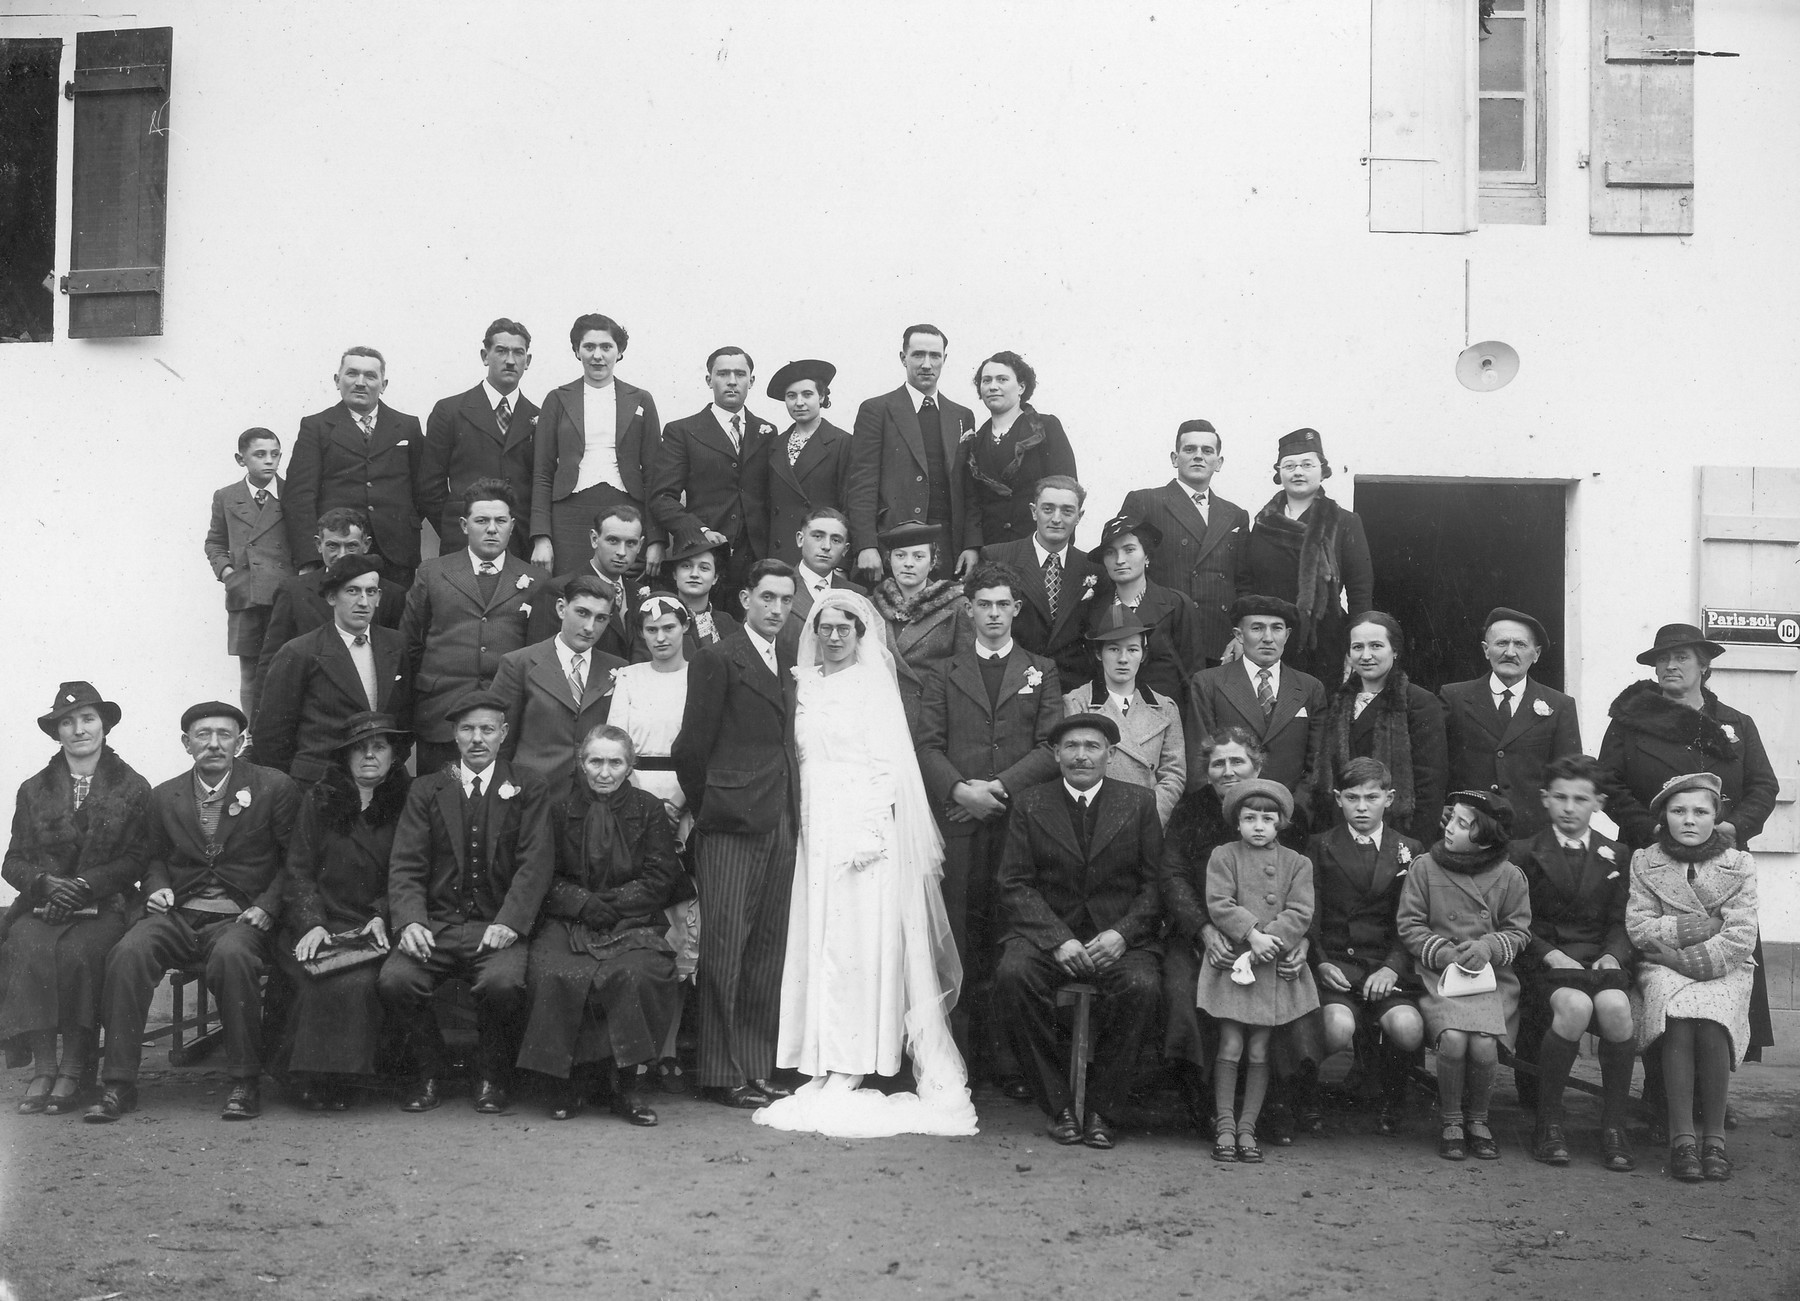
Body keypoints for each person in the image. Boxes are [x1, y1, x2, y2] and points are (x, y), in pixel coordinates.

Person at [754, 591, 978, 1137]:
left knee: (856, 947)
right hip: (814, 826)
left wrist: (871, 832)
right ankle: (819, 1060)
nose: (833, 637)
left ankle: (852, 1064)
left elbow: (888, 766)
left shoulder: (873, 687)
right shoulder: (804, 684)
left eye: (844, 629)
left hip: (861, 831)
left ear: (860, 634)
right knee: (819, 941)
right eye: (825, 627)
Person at [86, 702, 300, 1123]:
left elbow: (296, 860)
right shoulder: (165, 795)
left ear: (240, 741)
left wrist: (267, 906)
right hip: (179, 914)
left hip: (241, 917)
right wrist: (157, 888)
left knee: (233, 957)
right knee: (129, 952)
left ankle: (245, 1081)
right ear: (187, 743)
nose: (214, 744)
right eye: (203, 735)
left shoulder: (274, 787)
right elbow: (152, 856)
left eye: (225, 735)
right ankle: (118, 1084)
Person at [1598, 622, 1780, 1075]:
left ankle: (1711, 1088)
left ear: (1704, 665)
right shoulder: (1629, 723)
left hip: (1720, 865)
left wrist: (1733, 829)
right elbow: (1609, 783)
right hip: (1653, 860)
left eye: (1681, 657)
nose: (1670, 665)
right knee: (1657, 974)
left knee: (1723, 969)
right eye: (1662, 658)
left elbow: (1763, 786)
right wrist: (1652, 830)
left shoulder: (1736, 724)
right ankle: (1660, 1088)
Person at [914, 562, 1062, 1087]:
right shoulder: (944, 671)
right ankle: (958, 1063)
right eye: (984, 605)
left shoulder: (1041, 670)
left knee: (1009, 937)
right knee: (959, 936)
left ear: (1016, 609)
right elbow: (927, 745)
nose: (994, 614)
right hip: (958, 826)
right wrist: (960, 791)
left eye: (1003, 604)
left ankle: (1008, 1062)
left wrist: (993, 790)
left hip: (1017, 826)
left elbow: (1049, 746)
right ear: (969, 609)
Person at [377, 691, 554, 1115]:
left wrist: (511, 921)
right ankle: (430, 1070)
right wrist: (410, 921)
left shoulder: (528, 785)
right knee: (396, 980)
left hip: (496, 926)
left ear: (503, 734)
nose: (477, 739)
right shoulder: (427, 788)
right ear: (454, 735)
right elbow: (406, 863)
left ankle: (491, 1075)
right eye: (468, 729)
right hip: (436, 925)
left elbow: (535, 862)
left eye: (487, 729)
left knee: (503, 984)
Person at [993, 713, 1163, 1150]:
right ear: (1055, 754)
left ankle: (1104, 1109)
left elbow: (1155, 884)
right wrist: (1057, 939)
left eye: (1092, 746)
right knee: (1012, 976)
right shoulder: (1030, 802)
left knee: (1142, 986)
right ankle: (1059, 1106)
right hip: (1048, 936)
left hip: (1117, 938)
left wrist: (1122, 934)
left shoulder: (1139, 801)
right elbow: (1014, 883)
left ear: (1110, 754)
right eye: (1071, 746)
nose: (1081, 756)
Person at [672, 560, 802, 1108]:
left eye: (786, 600)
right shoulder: (717, 658)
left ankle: (754, 1066)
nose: (777, 609)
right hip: (729, 822)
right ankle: (720, 1072)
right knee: (725, 948)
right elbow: (689, 749)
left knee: (767, 950)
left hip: (781, 819)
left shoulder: (791, 659)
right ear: (746, 599)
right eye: (767, 597)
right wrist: (714, 807)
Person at [517, 726, 685, 1125]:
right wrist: (582, 903)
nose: (605, 772)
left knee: (636, 973)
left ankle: (627, 1087)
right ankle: (570, 1083)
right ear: (581, 763)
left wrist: (613, 903)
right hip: (571, 920)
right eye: (596, 761)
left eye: (615, 762)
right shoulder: (559, 809)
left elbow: (660, 876)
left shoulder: (648, 809)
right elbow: (543, 874)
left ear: (630, 766)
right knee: (555, 973)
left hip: (632, 920)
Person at [2, 684, 149, 1115]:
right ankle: (44, 1067)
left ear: (104, 726)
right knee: (26, 945)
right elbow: (12, 860)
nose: (78, 729)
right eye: (67, 722)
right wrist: (44, 883)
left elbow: (138, 858)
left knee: (80, 952)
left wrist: (86, 884)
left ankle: (73, 1068)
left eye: (87, 719)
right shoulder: (33, 789)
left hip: (105, 903)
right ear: (57, 732)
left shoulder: (133, 786)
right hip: (44, 904)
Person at [1159, 729, 1310, 1136]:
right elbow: (1173, 875)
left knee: (1287, 993)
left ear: (1257, 766)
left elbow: (1308, 889)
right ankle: (1203, 1103)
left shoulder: (1285, 812)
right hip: (1202, 932)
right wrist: (1204, 930)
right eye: (1217, 764)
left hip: (1275, 941)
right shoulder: (1191, 810)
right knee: (1182, 989)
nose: (1227, 771)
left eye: (1237, 761)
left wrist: (1302, 940)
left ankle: (1275, 1107)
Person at [1627, 772, 1759, 1183]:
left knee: (1713, 1020)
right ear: (1663, 816)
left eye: (1700, 812)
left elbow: (1741, 935)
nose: (1688, 820)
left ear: (1716, 816)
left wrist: (1686, 956)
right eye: (1678, 810)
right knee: (1678, 1018)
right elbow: (1640, 927)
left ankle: (1714, 1140)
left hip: (1724, 966)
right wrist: (1697, 927)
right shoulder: (1644, 861)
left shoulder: (1739, 864)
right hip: (1661, 966)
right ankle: (1682, 1139)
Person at [1508, 754, 1636, 1171]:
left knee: (1617, 1008)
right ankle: (1549, 1122)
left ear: (1598, 803)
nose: (1569, 808)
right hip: (1546, 964)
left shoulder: (1617, 854)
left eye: (1580, 799)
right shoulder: (1524, 852)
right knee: (1575, 1006)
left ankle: (1614, 1125)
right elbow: (1515, 921)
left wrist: (1613, 954)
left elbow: (1622, 920)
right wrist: (1550, 952)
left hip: (1599, 961)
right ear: (1545, 798)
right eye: (1560, 797)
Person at [280, 712, 411, 1112]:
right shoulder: (319, 800)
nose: (369, 755)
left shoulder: (410, 802)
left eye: (379, 747)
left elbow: (413, 871)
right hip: (323, 920)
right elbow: (299, 870)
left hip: (378, 924)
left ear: (394, 755)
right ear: (345, 756)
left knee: (356, 982)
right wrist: (311, 924)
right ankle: (306, 1078)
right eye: (359, 748)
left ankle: (345, 1080)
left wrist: (383, 914)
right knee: (310, 972)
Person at [1396, 790, 1532, 1162]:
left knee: (1485, 1043)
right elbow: (1409, 925)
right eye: (1451, 818)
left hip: (1490, 977)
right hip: (1440, 974)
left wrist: (1489, 947)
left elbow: (1519, 930)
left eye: (1462, 823)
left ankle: (1479, 1119)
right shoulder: (1425, 867)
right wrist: (1443, 953)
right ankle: (1452, 1120)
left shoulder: (1509, 876)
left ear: (1485, 838)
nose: (1449, 827)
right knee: (1454, 1039)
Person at [1193, 779, 1319, 1164]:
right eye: (1250, 818)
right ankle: (1225, 1126)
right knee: (1231, 1044)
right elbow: (1219, 903)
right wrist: (1252, 934)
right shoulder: (1224, 856)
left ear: (1281, 822)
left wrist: (1271, 940)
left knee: (1261, 1048)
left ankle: (1247, 1127)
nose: (1259, 826)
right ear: (1237, 822)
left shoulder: (1298, 863)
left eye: (1267, 818)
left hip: (1273, 966)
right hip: (1234, 964)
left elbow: (1301, 911)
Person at [1301, 757, 1426, 1137]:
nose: (1361, 807)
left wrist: (1392, 967)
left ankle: (1391, 1097)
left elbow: (1412, 920)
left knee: (1408, 1028)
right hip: (1337, 963)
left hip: (1384, 965)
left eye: (1371, 798)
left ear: (1389, 798)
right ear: (1338, 798)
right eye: (1352, 797)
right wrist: (1320, 963)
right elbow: (1310, 917)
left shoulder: (1409, 848)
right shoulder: (1320, 845)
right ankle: (1306, 1097)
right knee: (1337, 1027)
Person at [607, 595, 703, 1089]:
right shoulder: (628, 678)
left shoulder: (701, 676)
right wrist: (646, 807)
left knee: (683, 920)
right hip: (637, 806)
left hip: (688, 801)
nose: (660, 637)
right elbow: (617, 745)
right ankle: (638, 1049)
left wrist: (680, 801)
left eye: (669, 627)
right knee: (645, 918)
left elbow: (705, 743)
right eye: (651, 630)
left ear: (684, 628)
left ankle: (668, 1048)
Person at [401, 480, 549, 773]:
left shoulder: (536, 581)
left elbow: (537, 656)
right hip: (442, 715)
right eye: (481, 521)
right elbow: (410, 644)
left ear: (512, 526)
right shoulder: (433, 572)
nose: (492, 529)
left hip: (504, 720)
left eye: (500, 521)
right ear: (464, 525)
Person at [255, 555, 412, 784]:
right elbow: (271, 734)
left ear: (379, 597)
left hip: (383, 781)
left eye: (370, 592)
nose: (363, 602)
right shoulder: (300, 651)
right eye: (352, 591)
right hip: (319, 783)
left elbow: (405, 715)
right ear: (331, 597)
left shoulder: (396, 644)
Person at [529, 312, 663, 578]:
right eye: (589, 347)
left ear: (619, 352)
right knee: (571, 588)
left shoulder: (641, 399)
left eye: (606, 347)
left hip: (626, 514)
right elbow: (543, 472)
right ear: (577, 351)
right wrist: (541, 537)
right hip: (569, 514)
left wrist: (657, 539)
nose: (597, 355)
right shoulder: (557, 399)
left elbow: (653, 474)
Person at [847, 324, 980, 583]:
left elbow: (969, 488)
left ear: (944, 359)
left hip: (947, 545)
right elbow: (862, 484)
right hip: (894, 542)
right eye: (918, 355)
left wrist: (971, 545)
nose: (927, 364)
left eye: (935, 356)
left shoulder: (962, 415)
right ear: (903, 358)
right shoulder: (877, 410)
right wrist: (866, 545)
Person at [285, 346, 426, 588]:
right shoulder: (316, 427)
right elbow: (299, 496)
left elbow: (422, 488)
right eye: (352, 374)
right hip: (338, 549)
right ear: (337, 380)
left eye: (370, 376)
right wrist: (310, 558)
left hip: (396, 552)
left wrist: (402, 523)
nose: (360, 382)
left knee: (395, 610)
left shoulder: (407, 426)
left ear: (383, 384)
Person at [1242, 428, 1373, 684]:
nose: (1298, 472)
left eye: (1307, 464)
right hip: (1270, 640)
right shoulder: (1263, 524)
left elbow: (1360, 591)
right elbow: (1248, 582)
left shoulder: (1345, 522)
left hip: (1325, 642)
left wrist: (1357, 646)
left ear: (1323, 471)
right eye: (1289, 465)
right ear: (1279, 473)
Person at [1439, 607, 1581, 841]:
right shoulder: (1454, 697)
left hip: (1531, 835)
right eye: (1502, 643)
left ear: (1536, 654)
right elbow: (1436, 764)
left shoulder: (1560, 705)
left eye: (1520, 644)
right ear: (1486, 650)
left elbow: (1569, 775)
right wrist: (1439, 807)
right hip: (1469, 830)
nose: (1510, 652)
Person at [1117, 419, 1252, 664]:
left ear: (1219, 463)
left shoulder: (1236, 515)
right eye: (1190, 449)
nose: (1198, 456)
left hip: (1218, 641)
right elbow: (1120, 568)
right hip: (1160, 637)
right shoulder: (1145, 502)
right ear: (1174, 458)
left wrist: (1240, 636)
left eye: (1207, 450)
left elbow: (1243, 582)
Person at [252, 507, 405, 717]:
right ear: (318, 544)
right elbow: (270, 660)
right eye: (333, 546)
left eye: (351, 546)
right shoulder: (294, 592)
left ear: (366, 545)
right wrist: (257, 723)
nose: (341, 555)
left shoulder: (391, 594)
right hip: (313, 712)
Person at [1187, 596, 1326, 826]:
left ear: (1287, 635)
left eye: (1277, 628)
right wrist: (1227, 816)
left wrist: (1292, 813)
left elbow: (1317, 765)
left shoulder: (1310, 688)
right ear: (1239, 635)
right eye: (1257, 628)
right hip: (1228, 820)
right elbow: (1199, 761)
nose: (1268, 638)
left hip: (1290, 820)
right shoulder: (1208, 683)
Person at [649, 346, 778, 593]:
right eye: (723, 374)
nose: (732, 381)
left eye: (740, 374)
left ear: (751, 381)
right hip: (703, 554)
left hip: (755, 559)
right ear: (709, 380)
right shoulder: (683, 431)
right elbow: (662, 497)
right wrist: (700, 531)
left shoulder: (767, 432)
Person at [1313, 612, 1447, 843]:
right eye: (1357, 647)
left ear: (1395, 650)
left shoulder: (1419, 702)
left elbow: (1430, 785)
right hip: (1341, 831)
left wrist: (1413, 845)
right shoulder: (1338, 702)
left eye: (1376, 646)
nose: (1366, 656)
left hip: (1399, 834)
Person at [419, 318, 539, 560]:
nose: (510, 360)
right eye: (501, 351)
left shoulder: (540, 417)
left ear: (527, 361)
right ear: (485, 356)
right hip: (462, 542)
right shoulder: (450, 411)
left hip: (519, 543)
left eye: (518, 353)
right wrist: (458, 527)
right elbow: (430, 487)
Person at [492, 575, 628, 783]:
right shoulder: (519, 664)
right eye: (582, 613)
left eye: (600, 618)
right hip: (535, 790)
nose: (590, 627)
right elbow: (500, 741)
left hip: (596, 791)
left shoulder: (620, 669)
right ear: (561, 609)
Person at [1062, 610, 1186, 825]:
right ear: (1099, 653)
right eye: (1113, 649)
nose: (1123, 659)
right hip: (1097, 822)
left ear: (1143, 655)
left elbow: (1173, 774)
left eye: (1132, 649)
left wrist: (1148, 818)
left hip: (1148, 820)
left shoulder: (1165, 708)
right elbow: (1076, 770)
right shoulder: (1077, 703)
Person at [982, 476, 1103, 692]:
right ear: (1033, 511)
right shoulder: (998, 557)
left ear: (1079, 516)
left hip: (1073, 687)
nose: (1056, 519)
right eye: (1048, 509)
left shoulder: (1093, 568)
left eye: (1067, 511)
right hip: (1011, 683)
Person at [206, 428, 294, 721]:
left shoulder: (293, 492)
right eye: (260, 454)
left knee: (287, 667)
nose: (269, 461)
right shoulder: (226, 496)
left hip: (285, 595)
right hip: (246, 595)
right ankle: (253, 733)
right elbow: (215, 542)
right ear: (240, 459)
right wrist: (228, 573)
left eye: (275, 454)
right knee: (250, 672)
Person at [1083, 514, 1203, 706]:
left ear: (1146, 556)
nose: (1120, 560)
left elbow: (1193, 676)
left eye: (1129, 550)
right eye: (1110, 552)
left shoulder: (1176, 604)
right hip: (1110, 714)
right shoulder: (1095, 609)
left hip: (1165, 713)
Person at [964, 350, 1077, 548]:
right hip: (993, 549)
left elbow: (1067, 491)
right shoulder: (975, 442)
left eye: (1002, 379)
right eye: (986, 380)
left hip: (1038, 545)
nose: (993, 386)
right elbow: (972, 503)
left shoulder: (1046, 427)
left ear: (1021, 387)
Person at [748, 359, 854, 567]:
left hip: (822, 556)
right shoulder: (774, 444)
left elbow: (849, 508)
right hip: (779, 555)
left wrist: (842, 564)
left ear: (821, 397)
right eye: (791, 396)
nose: (799, 402)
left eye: (807, 394)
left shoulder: (842, 442)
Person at [868, 522, 969, 732]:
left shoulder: (955, 606)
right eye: (900, 555)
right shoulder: (870, 606)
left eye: (919, 556)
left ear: (933, 562)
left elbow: (964, 674)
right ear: (889, 560)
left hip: (930, 721)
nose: (908, 563)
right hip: (878, 718)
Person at [524, 501, 648, 657]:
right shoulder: (558, 590)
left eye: (631, 543)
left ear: (640, 545)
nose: (622, 552)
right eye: (613, 540)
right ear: (594, 539)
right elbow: (539, 657)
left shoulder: (638, 593)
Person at [658, 532, 740, 659]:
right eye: (686, 566)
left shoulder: (727, 623)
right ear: (675, 574)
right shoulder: (659, 620)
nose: (694, 574)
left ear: (715, 578)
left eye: (704, 568)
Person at [786, 507, 865, 626]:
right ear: (800, 539)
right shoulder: (780, 586)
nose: (826, 546)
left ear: (845, 549)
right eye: (818, 536)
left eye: (836, 540)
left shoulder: (856, 594)